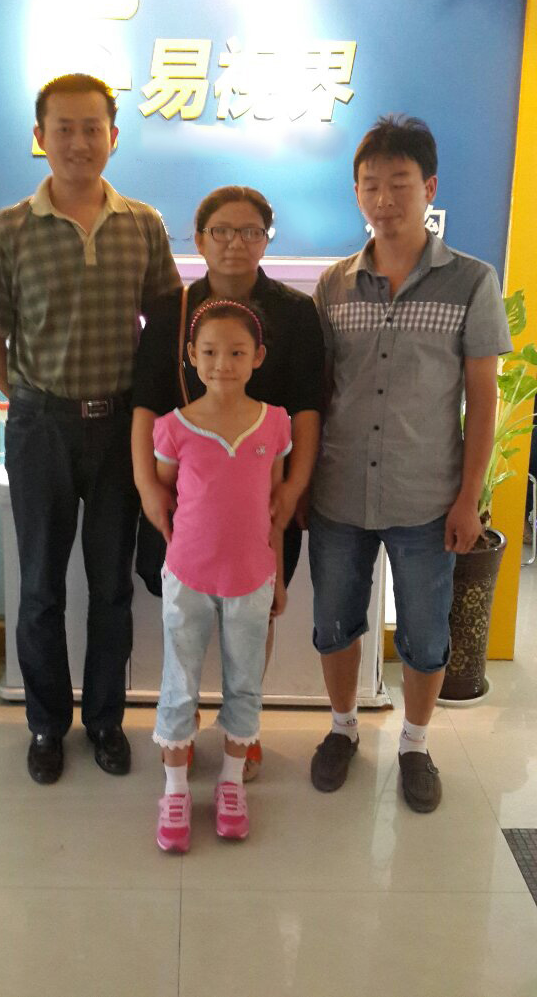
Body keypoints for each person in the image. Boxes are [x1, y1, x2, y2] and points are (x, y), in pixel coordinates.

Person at [0, 73, 181, 784]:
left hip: (121, 429)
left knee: (111, 585)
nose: (79, 141)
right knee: (39, 587)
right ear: (40, 138)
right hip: (41, 429)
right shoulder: (9, 229)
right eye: (63, 128)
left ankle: (104, 722)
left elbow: (166, 329)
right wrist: (34, 401)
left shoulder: (143, 224)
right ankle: (45, 724)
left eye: (93, 127)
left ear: (114, 137)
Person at [308, 115, 512, 812]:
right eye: (371, 184)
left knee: (425, 634)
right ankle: (342, 729)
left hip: (428, 498)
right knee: (334, 622)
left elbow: (482, 399)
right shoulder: (333, 285)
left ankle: (417, 744)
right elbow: (319, 393)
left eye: (400, 183)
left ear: (429, 187)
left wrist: (468, 498)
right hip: (338, 492)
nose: (384, 198)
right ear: (356, 193)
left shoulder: (472, 281)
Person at [131, 186, 324, 780]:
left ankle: (243, 730)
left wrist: (293, 487)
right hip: (186, 496)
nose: (235, 243)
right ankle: (181, 731)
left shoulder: (295, 313)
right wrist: (147, 485)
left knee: (255, 612)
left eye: (250, 231)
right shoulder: (170, 311)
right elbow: (145, 404)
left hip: (263, 496)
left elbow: (309, 407)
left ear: (267, 239)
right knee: (184, 617)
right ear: (198, 239)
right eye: (221, 230)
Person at [151, 300, 291, 852]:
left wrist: (278, 574)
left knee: (245, 681)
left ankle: (231, 784)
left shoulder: (274, 423)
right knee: (179, 680)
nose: (222, 364)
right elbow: (166, 493)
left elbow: (274, 506)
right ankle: (175, 789)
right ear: (192, 355)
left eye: (236, 352)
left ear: (257, 356)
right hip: (187, 575)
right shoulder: (173, 427)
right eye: (209, 352)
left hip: (252, 577)